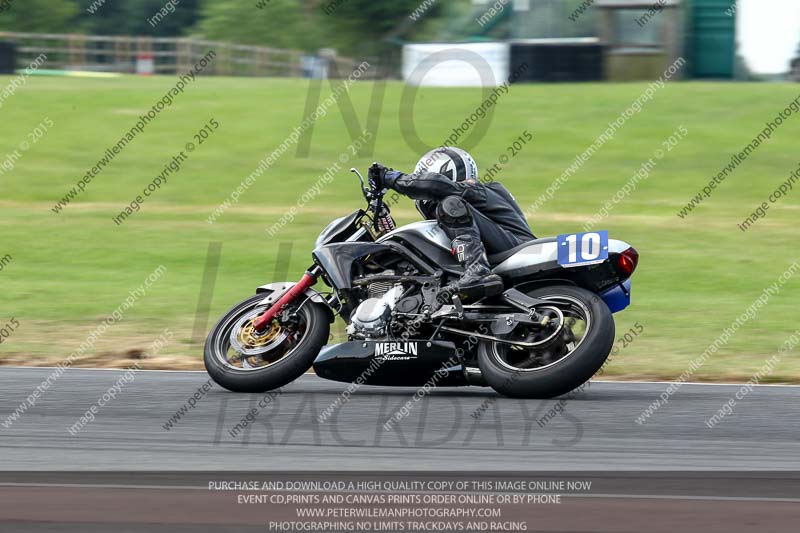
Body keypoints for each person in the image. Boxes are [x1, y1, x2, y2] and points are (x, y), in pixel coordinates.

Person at [369, 147, 536, 303]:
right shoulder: (473, 205)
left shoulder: (475, 190)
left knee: (451, 204)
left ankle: (476, 271)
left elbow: (435, 185)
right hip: (509, 252)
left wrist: (391, 178)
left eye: (420, 178)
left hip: (518, 249)